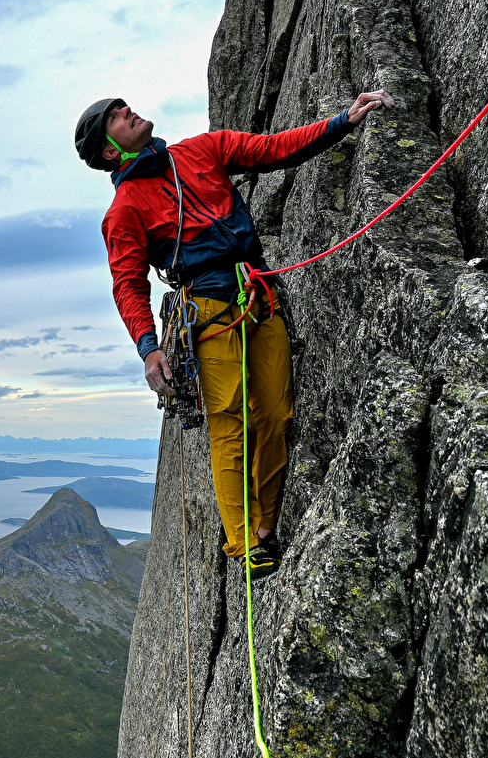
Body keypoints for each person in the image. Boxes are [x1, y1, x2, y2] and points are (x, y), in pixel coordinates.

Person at [74, 91, 393, 579]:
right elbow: (128, 284)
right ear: (110, 152)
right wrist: (148, 347)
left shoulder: (200, 150)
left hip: (258, 293)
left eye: (124, 105)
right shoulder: (124, 211)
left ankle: (264, 527)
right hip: (208, 311)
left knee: (276, 412)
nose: (128, 110)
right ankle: (245, 543)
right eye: (115, 116)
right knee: (230, 420)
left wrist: (342, 121)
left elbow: (274, 148)